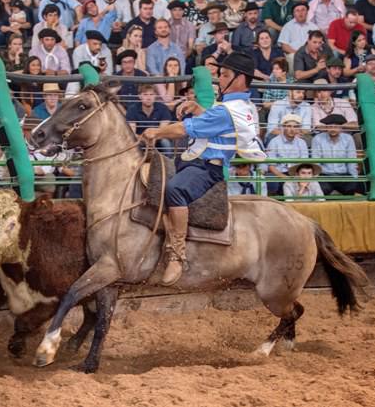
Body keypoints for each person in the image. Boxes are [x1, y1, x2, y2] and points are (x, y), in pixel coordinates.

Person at [140, 52, 266, 285]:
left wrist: (156, 132)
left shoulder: (226, 110)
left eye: (225, 75)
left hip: (206, 169)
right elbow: (213, 121)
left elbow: (184, 130)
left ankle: (177, 255)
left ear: (239, 79)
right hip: (195, 161)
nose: (219, 79)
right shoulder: (240, 105)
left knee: (175, 190)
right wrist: (199, 109)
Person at [311, 114, 360, 196]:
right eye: (330, 126)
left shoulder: (348, 138)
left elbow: (351, 160)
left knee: (353, 188)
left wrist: (354, 179)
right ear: (326, 128)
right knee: (322, 189)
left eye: (336, 126)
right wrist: (316, 179)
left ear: (341, 127)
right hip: (325, 176)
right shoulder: (318, 139)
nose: (333, 129)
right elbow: (316, 162)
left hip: (343, 175)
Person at [266, 113, 309, 195]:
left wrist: (297, 177)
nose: (292, 129)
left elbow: (303, 163)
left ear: (299, 129)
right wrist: (283, 177)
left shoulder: (302, 143)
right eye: (289, 126)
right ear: (283, 127)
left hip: (297, 173)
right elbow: (271, 166)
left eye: (295, 127)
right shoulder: (274, 142)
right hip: (279, 174)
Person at [126, 83, 173, 151]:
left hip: (158, 137)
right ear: (140, 96)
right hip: (140, 139)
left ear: (155, 96)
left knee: (165, 142)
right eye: (145, 95)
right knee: (131, 142)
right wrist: (144, 140)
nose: (148, 98)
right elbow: (132, 133)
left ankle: (169, 161)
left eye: (151, 94)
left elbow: (162, 130)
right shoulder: (132, 109)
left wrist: (153, 138)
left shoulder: (163, 108)